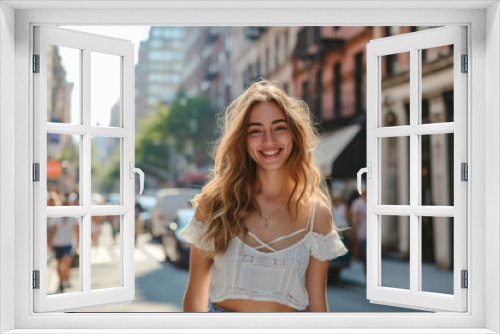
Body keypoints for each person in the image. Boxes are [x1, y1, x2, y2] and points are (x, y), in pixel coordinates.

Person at [180, 80, 347, 312]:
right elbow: (195, 298)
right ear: (243, 140)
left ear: (294, 134)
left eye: (279, 127)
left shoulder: (317, 215)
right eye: (256, 131)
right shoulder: (215, 204)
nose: (269, 140)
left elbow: (318, 309)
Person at [48, 199, 79, 293]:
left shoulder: (73, 219)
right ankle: (61, 282)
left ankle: (65, 279)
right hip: (58, 244)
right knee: (59, 265)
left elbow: (77, 232)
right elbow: (52, 233)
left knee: (66, 262)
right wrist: (49, 244)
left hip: (68, 244)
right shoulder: (57, 219)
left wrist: (77, 244)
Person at [350, 185, 367, 276]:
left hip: (372, 233)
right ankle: (368, 277)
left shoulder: (372, 202)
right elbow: (355, 219)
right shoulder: (357, 203)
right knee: (366, 256)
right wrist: (355, 232)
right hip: (362, 232)